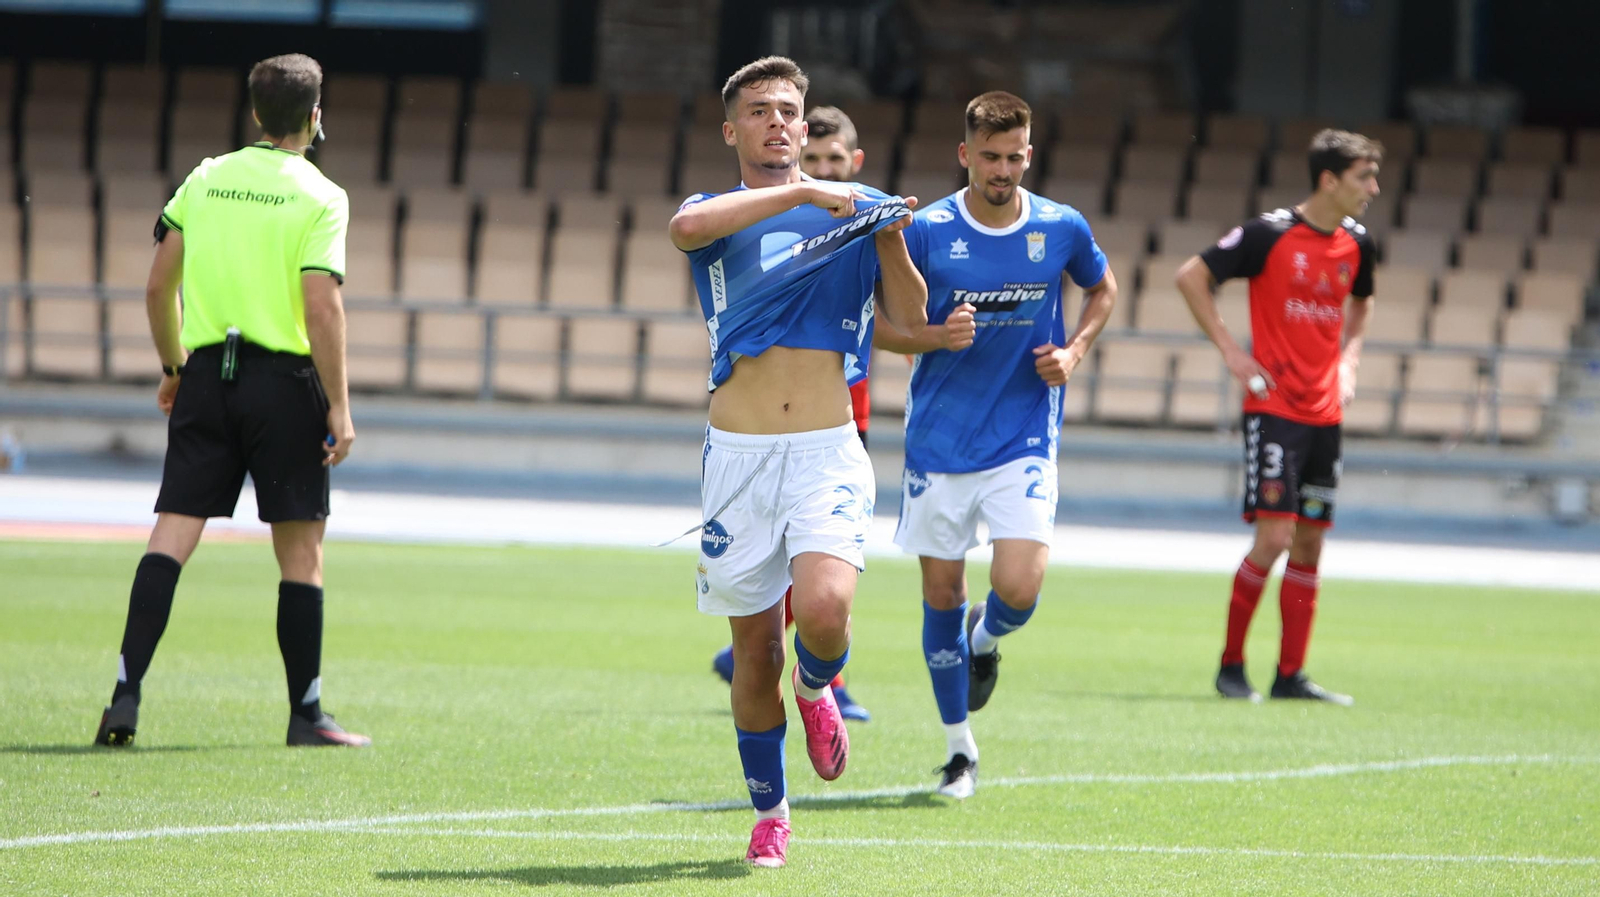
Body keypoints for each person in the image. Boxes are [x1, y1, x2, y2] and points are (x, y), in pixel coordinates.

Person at [669, 56, 926, 867]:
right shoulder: (715, 212)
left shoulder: (854, 210)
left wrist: (889, 238)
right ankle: (771, 812)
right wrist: (809, 193)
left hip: (825, 452)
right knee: (755, 653)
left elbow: (913, 314)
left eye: (788, 110)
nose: (777, 121)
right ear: (731, 130)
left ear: (804, 123)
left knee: (823, 608)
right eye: (760, 110)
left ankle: (817, 689)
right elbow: (684, 231)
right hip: (738, 460)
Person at [94, 53, 368, 749]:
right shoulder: (322, 195)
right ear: (314, 115)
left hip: (208, 378)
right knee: (300, 556)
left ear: (254, 113)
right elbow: (322, 307)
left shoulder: (206, 177)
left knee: (170, 537)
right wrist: (339, 406)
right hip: (284, 387)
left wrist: (173, 367)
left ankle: (124, 696)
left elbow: (158, 286)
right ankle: (306, 714)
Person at [878, 91, 1117, 799]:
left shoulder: (1060, 226)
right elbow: (881, 324)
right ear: (965, 155)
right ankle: (959, 751)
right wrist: (934, 336)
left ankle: (984, 639)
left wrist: (1074, 351)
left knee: (1019, 587)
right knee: (941, 592)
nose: (1002, 170)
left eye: (1014, 157)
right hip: (939, 441)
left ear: (1029, 155)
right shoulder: (927, 230)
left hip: (1024, 435)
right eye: (990, 156)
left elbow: (1103, 290)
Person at [1174, 129, 1381, 707]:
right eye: (1364, 177)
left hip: (1325, 414)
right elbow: (1191, 276)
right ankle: (1231, 666)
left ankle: (1291, 675)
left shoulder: (1359, 243)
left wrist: (1348, 361)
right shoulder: (1269, 234)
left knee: (1310, 543)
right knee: (1274, 537)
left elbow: (1363, 301)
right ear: (1329, 180)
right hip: (1274, 409)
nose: (1373, 188)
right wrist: (1233, 354)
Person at [709, 105, 874, 723]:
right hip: (754, 438)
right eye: (817, 161)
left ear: (855, 164)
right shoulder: (764, 219)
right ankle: (773, 664)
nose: (826, 171)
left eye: (837, 161)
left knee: (825, 587)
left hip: (837, 425)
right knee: (771, 610)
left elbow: (900, 318)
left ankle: (822, 679)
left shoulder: (863, 221)